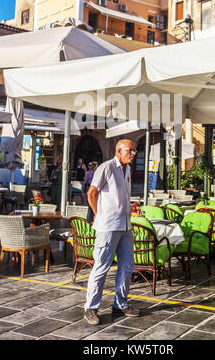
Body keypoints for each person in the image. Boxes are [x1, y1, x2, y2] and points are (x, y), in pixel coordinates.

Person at [84, 139, 139, 326]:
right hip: (108, 226)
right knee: (101, 266)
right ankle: (91, 308)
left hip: (125, 225)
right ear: (119, 151)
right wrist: (99, 215)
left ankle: (120, 304)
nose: (133, 153)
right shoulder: (106, 167)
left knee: (127, 266)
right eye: (130, 150)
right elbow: (92, 193)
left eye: (134, 151)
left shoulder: (127, 169)